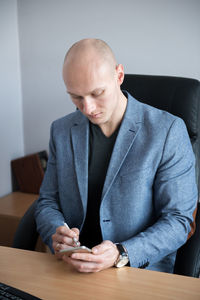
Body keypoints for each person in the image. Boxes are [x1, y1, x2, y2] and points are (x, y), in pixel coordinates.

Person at [35, 38, 198, 273]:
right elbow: (47, 202)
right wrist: (55, 232)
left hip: (136, 270)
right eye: (76, 97)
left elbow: (178, 220)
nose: (88, 108)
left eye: (97, 93)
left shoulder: (167, 131)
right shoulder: (61, 130)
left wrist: (122, 253)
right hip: (72, 266)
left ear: (119, 75)